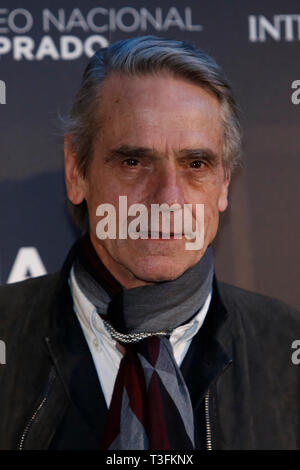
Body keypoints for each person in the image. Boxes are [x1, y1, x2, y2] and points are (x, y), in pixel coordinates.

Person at [0, 36, 299, 451]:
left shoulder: (286, 346)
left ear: (224, 183)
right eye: (134, 162)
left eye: (196, 164)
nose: (167, 200)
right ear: (76, 171)